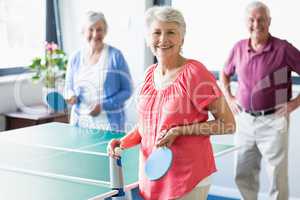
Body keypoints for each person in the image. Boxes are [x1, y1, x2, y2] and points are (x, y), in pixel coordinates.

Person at [108, 6, 235, 200]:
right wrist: (123, 142)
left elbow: (228, 124)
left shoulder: (195, 73)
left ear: (182, 38)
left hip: (188, 175)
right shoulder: (148, 74)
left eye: (171, 32)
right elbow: (146, 126)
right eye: (157, 32)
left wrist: (180, 130)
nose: (163, 39)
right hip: (153, 174)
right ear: (148, 38)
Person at [220, 1, 300, 199]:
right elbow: (224, 73)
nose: (256, 24)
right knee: (243, 172)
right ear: (245, 23)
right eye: (251, 20)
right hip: (244, 120)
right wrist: (229, 97)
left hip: (274, 120)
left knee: (277, 176)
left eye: (261, 19)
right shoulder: (238, 47)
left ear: (269, 21)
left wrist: (294, 103)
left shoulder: (283, 48)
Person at [64, 11, 133, 131]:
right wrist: (71, 95)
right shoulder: (75, 57)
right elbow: (68, 87)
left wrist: (103, 106)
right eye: (91, 29)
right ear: (83, 31)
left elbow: (127, 90)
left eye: (99, 29)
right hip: (80, 122)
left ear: (105, 31)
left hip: (109, 123)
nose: (95, 34)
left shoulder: (115, 56)